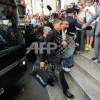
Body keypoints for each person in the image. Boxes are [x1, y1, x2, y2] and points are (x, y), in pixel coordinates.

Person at [40, 18, 74, 98]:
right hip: (52, 57)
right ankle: (65, 90)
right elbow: (44, 48)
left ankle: (49, 80)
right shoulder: (50, 34)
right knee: (61, 71)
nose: (62, 25)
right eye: (60, 24)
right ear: (54, 24)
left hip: (57, 56)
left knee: (51, 70)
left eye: (62, 24)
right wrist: (42, 60)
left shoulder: (59, 33)